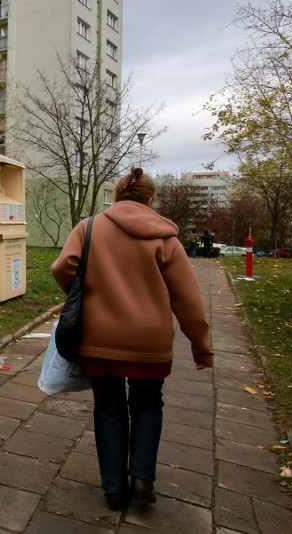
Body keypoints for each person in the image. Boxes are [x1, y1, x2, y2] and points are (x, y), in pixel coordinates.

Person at [51, 167, 213, 512]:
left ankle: (114, 490)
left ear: (115, 196)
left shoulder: (89, 227)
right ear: (150, 200)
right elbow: (189, 300)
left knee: (108, 407)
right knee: (148, 404)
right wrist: (201, 347)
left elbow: (62, 266)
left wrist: (84, 294)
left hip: (98, 338)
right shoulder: (166, 238)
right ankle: (142, 477)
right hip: (150, 345)